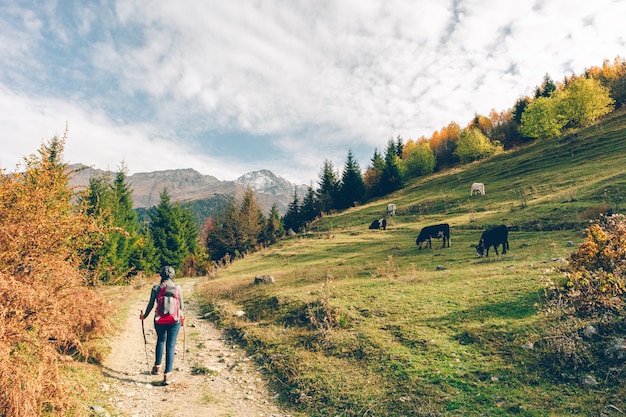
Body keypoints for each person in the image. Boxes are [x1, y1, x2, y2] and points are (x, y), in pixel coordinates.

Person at [140, 265, 184, 385]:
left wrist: (144, 316)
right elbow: (181, 306)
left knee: (160, 340)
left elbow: (150, 305)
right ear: (173, 275)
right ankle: (167, 374)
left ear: (161, 275)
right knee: (171, 345)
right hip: (174, 320)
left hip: (159, 320)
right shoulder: (178, 288)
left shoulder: (156, 288)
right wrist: (182, 316)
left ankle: (157, 367)